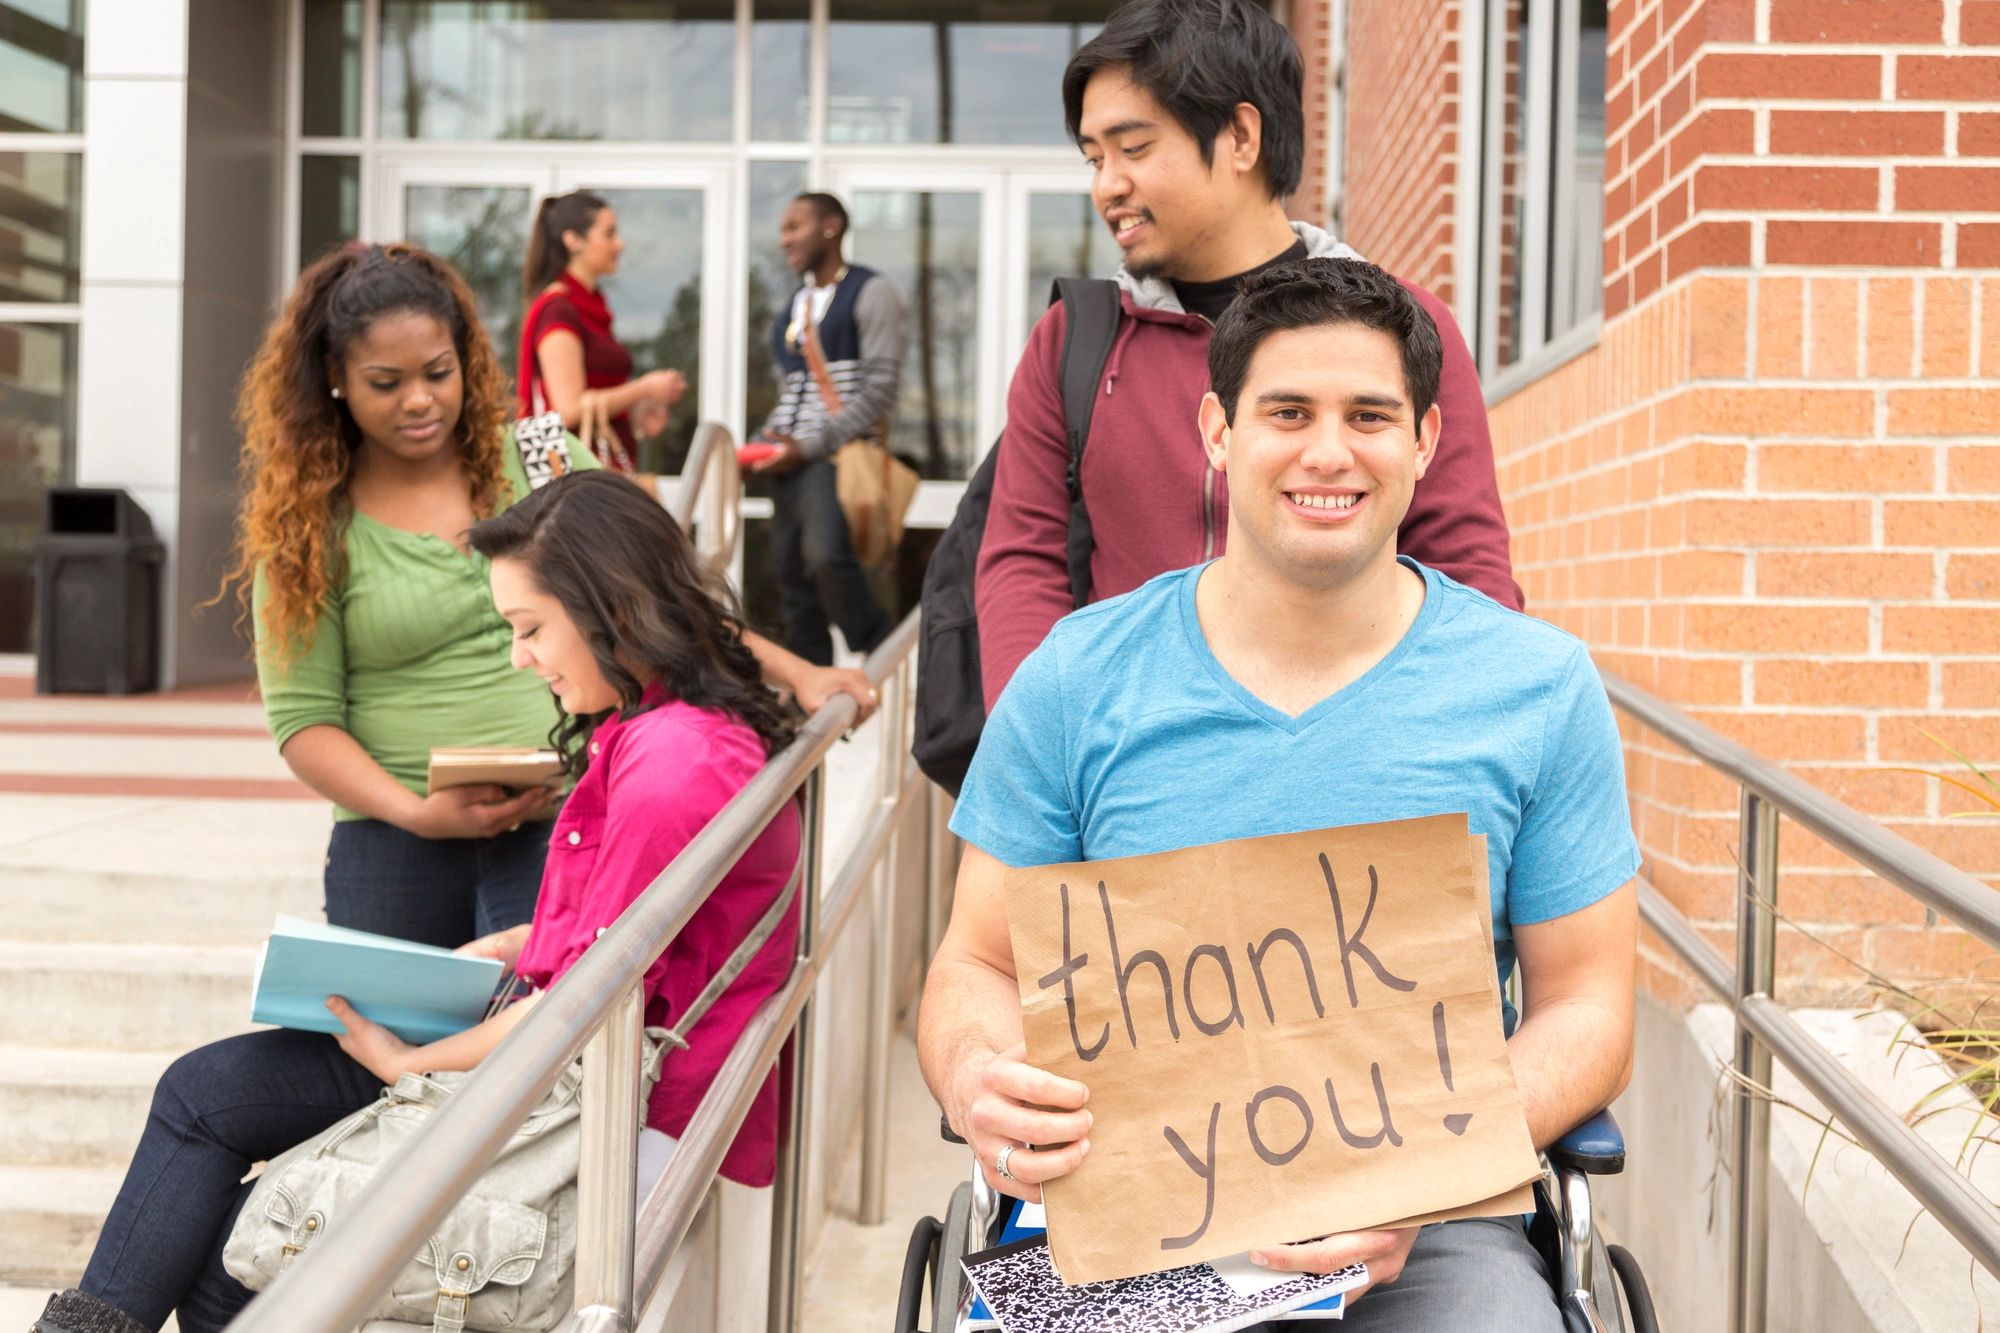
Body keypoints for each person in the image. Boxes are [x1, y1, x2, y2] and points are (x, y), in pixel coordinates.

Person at [917, 259, 1639, 1329]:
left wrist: (1415, 1165)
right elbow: (975, 960)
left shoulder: (1534, 689)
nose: (1327, 452)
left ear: (1426, 441)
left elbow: (1587, 1004)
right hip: (1134, 1212)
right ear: (1217, 430)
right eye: (1286, 411)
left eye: (1369, 415)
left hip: (1433, 1225)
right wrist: (978, 1070)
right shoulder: (1078, 677)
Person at [37, 472, 806, 1333]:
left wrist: (409, 1065)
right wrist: (516, 943)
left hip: (603, 1113)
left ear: (615, 612)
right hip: (569, 1073)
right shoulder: (666, 735)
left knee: (235, 1265)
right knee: (209, 1129)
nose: (520, 657)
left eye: (529, 628)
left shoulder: (672, 764)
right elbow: (625, 940)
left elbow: (582, 1012)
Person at [221, 242, 871, 952]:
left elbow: (660, 600)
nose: (419, 399)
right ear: (335, 378)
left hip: (572, 817)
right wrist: (418, 812)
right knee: (401, 1054)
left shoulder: (541, 457)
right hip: (394, 848)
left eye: (439, 373)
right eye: (386, 382)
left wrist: (800, 673)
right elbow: (305, 721)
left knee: (552, 1044)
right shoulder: (305, 526)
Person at [976, 0, 1522, 712]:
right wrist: (1040, 749)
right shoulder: (1073, 340)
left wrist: (1459, 740)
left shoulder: (1404, 328)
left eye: (1133, 148)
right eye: (1094, 157)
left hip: (1351, 755)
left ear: (1240, 135)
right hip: (1136, 759)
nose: (1106, 185)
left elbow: (1465, 558)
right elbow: (1023, 563)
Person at [746, 191, 903, 665]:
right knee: (792, 577)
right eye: (783, 229)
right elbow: (793, 393)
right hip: (789, 460)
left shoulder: (871, 291)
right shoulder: (796, 304)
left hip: (832, 456)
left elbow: (878, 393)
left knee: (825, 557)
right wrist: (759, 445)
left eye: (795, 227)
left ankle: (881, 649)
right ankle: (810, 688)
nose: (784, 239)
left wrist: (809, 445)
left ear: (831, 227)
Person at [519, 189, 689, 472]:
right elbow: (568, 408)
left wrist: (634, 415)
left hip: (596, 473)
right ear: (573, 240)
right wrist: (642, 388)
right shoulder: (559, 310)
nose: (620, 244)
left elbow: (594, 399)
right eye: (609, 234)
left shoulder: (590, 306)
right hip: (576, 484)